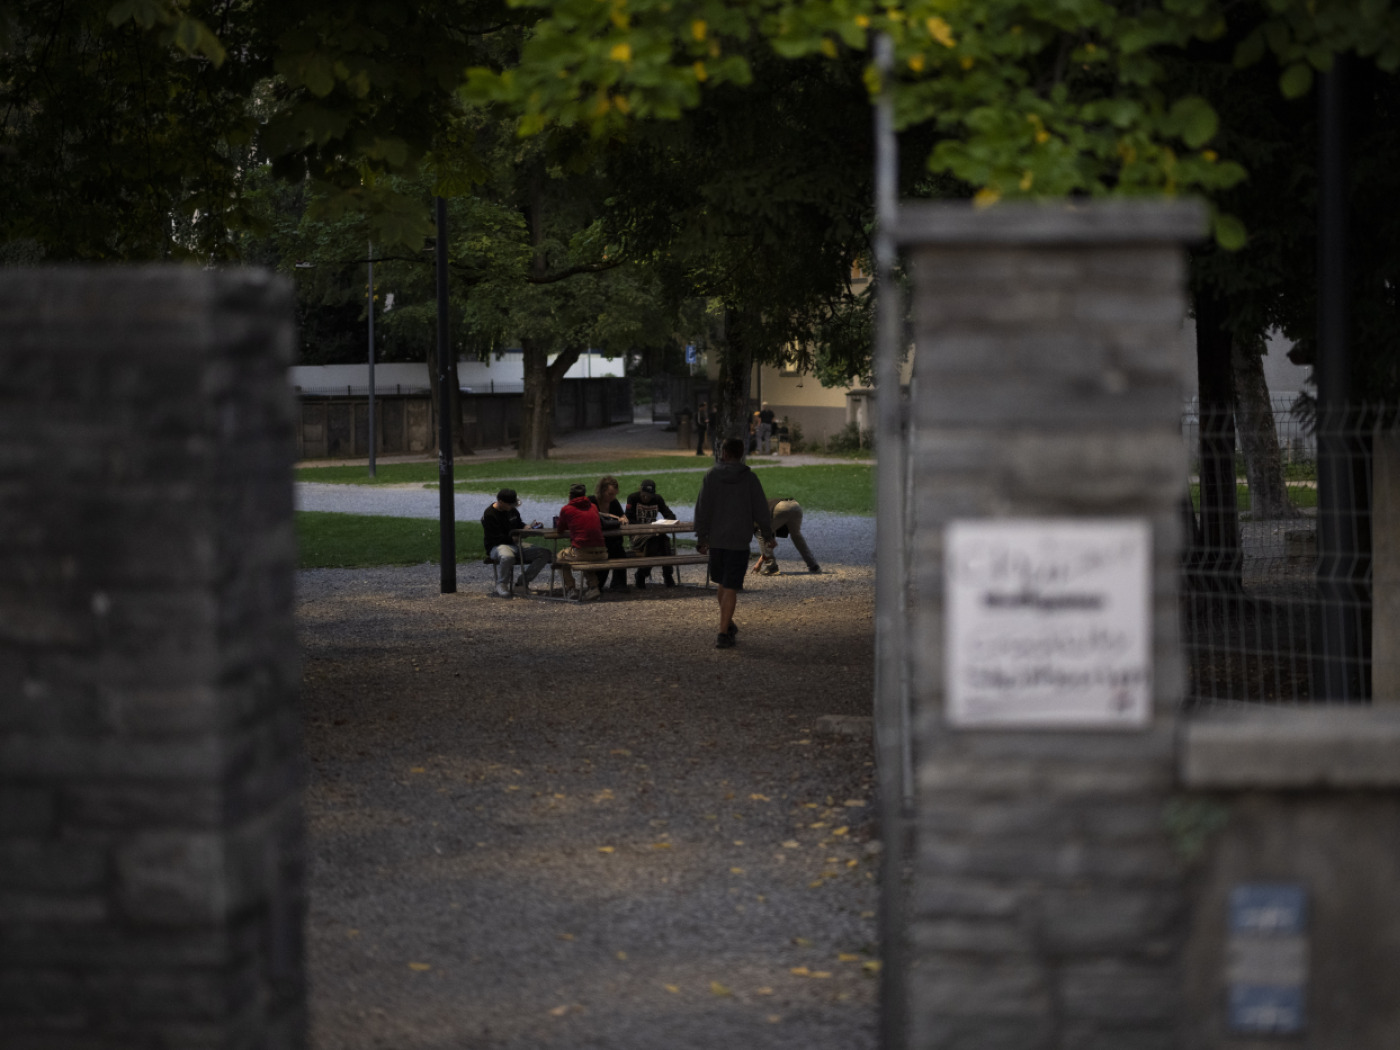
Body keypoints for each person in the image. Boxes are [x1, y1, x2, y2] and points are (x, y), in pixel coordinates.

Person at [694, 437, 773, 649]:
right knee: (729, 585)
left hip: (717, 539)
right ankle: (723, 632)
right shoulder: (750, 479)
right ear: (740, 454)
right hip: (739, 540)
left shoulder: (711, 476)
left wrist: (702, 537)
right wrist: (768, 535)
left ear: (724, 453)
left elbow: (702, 508)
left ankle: (726, 624)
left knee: (723, 583)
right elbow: (761, 509)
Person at [481, 488, 551, 598]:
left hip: (515, 544)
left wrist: (526, 527)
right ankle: (502, 584)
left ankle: (522, 583)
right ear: (500, 501)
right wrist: (514, 538)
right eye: (510, 504)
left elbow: (518, 523)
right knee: (507, 557)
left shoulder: (512, 510)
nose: (512, 507)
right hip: (498, 546)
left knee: (544, 553)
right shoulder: (489, 514)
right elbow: (495, 538)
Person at [556, 483, 608, 601]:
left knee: (560, 557)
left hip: (582, 552)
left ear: (570, 495)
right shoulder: (593, 506)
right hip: (602, 552)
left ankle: (571, 588)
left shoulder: (567, 509)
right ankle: (593, 587)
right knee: (584, 558)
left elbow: (560, 529)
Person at [625, 478, 678, 589]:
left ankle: (659, 573)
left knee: (663, 540)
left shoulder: (658, 499)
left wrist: (665, 522)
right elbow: (628, 518)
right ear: (640, 491)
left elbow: (670, 515)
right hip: (637, 534)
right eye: (644, 495)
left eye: (649, 496)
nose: (646, 498)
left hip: (654, 534)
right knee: (657, 541)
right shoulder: (633, 498)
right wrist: (645, 526)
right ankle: (646, 574)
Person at [752, 497, 821, 576]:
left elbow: (766, 539)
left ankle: (771, 567)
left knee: (761, 533)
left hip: (780, 508)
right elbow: (769, 544)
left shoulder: (750, 518)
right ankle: (814, 566)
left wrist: (759, 563)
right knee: (796, 536)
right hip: (795, 506)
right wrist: (759, 563)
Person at [589, 475, 630, 593]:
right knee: (606, 555)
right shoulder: (591, 501)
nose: (612, 497)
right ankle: (597, 585)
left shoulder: (614, 503)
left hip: (614, 541)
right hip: (597, 542)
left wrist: (624, 519)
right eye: (610, 494)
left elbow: (622, 516)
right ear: (602, 491)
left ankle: (619, 584)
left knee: (620, 554)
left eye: (614, 495)